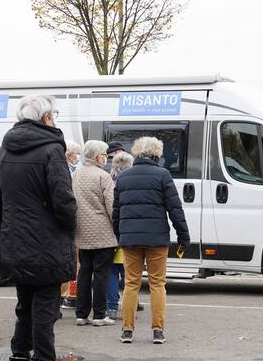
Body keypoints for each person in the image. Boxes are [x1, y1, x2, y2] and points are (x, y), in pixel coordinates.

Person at [0, 94, 76, 361]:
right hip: (46, 243)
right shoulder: (52, 149)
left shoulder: (5, 149)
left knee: (24, 309)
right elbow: (64, 200)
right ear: (47, 118)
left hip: (14, 241)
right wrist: (68, 226)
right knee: (45, 312)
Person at [113, 137, 189, 345]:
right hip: (157, 239)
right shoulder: (163, 175)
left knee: (131, 284)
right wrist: (183, 235)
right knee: (157, 284)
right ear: (156, 154)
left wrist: (120, 236)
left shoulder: (124, 177)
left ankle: (127, 330)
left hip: (130, 239)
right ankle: (157, 330)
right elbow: (175, 209)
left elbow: (116, 212)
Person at [73, 140, 117, 327]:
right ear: (98, 156)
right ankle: (99, 315)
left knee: (84, 272)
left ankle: (81, 314)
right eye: (105, 155)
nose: (106, 158)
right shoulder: (103, 176)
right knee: (101, 274)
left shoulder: (75, 174)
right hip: (102, 233)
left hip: (81, 231)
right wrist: (118, 228)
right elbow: (111, 206)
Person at [107, 152, 139, 320]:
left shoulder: (109, 181)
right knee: (129, 273)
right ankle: (131, 305)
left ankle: (111, 307)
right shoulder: (132, 182)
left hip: (111, 232)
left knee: (111, 272)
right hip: (127, 232)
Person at [60, 140, 82, 309]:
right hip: (69, 221)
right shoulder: (65, 170)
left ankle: (69, 294)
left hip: (72, 220)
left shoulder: (73, 169)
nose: (78, 157)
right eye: (77, 154)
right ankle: (65, 295)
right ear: (69, 155)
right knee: (71, 260)